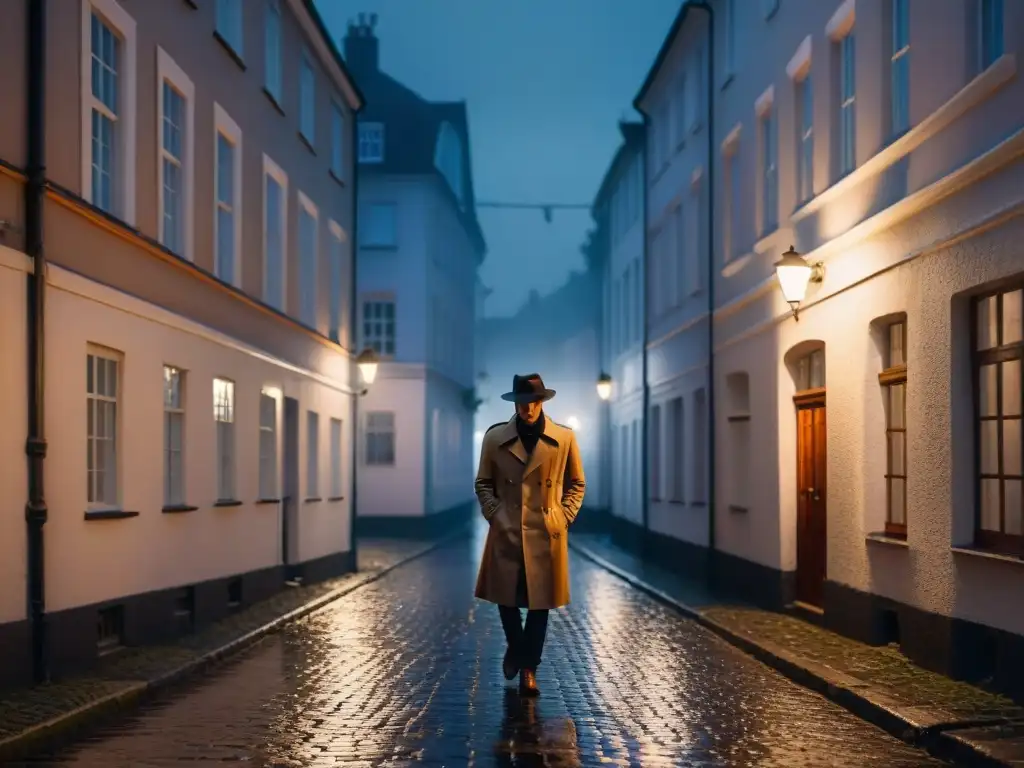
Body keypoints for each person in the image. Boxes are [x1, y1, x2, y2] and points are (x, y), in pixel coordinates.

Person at [473, 373, 586, 696]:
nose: (528, 409)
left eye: (533, 402)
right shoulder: (495, 438)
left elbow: (577, 482)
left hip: (545, 531)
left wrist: (562, 516)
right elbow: (483, 482)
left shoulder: (563, 438)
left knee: (540, 605)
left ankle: (528, 670)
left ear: (542, 402)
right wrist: (496, 513)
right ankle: (517, 648)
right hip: (507, 527)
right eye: (522, 404)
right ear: (516, 404)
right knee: (505, 598)